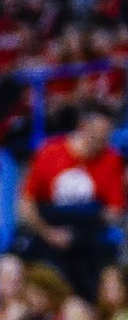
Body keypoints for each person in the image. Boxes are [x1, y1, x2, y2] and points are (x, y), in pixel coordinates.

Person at [18, 106, 123, 298]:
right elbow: (26, 204)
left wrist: (83, 227)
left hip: (88, 238)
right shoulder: (50, 152)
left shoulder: (111, 159)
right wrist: (49, 233)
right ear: (82, 127)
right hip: (48, 231)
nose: (101, 143)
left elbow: (114, 212)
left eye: (105, 137)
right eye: (96, 136)